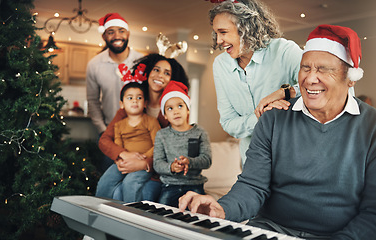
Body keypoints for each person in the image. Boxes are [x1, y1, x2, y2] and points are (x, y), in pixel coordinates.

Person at [179, 24, 376, 239]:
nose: (310, 79)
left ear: (351, 78)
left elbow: (372, 212)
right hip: (269, 230)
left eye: (323, 69)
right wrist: (222, 208)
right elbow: (252, 186)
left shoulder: (371, 127)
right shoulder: (273, 118)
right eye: (305, 68)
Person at [208, 0, 302, 167]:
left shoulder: (284, 51)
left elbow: (319, 85)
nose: (219, 40)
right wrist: (262, 116)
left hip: (293, 159)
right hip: (252, 164)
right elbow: (228, 122)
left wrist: (284, 93)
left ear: (246, 27)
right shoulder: (220, 65)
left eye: (223, 32)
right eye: (216, 33)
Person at [98, 53, 190, 201]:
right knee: (109, 185)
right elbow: (105, 140)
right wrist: (123, 154)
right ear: (148, 72)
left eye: (167, 73)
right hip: (127, 162)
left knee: (124, 190)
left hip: (158, 174)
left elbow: (176, 149)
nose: (160, 76)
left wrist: (143, 163)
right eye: (156, 70)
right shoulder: (131, 105)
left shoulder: (175, 109)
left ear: (172, 80)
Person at [95, 65, 162, 202]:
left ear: (145, 103)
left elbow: (158, 145)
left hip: (142, 162)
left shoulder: (151, 121)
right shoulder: (119, 124)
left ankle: (131, 216)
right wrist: (121, 159)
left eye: (139, 98)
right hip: (124, 161)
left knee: (130, 183)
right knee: (105, 181)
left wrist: (142, 158)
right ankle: (100, 212)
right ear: (122, 104)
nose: (134, 101)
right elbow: (117, 143)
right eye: (130, 98)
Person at [86, 13, 143, 172]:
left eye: (121, 30)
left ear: (128, 33)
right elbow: (92, 101)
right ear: (104, 35)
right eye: (111, 32)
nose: (117, 36)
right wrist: (103, 130)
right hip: (110, 134)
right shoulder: (94, 64)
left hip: (139, 133)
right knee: (109, 177)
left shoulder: (142, 61)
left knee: (136, 179)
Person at [153, 81, 212, 207]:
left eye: (180, 106)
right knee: (163, 216)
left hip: (194, 185)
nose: (176, 111)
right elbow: (157, 164)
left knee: (198, 215)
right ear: (165, 116)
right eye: (170, 108)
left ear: (188, 109)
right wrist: (172, 167)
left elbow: (207, 160)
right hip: (170, 186)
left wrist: (189, 162)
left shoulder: (200, 132)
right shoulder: (161, 135)